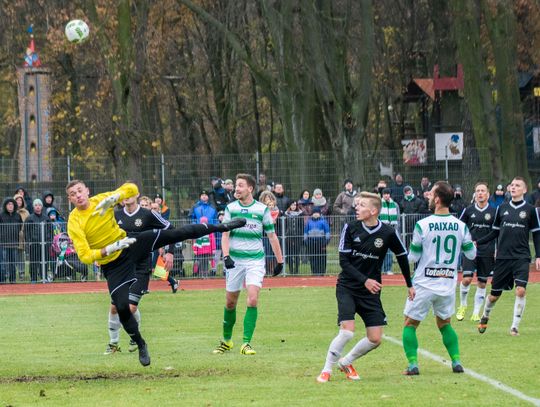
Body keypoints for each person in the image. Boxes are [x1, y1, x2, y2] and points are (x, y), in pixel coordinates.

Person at [66, 180, 246, 366]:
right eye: (73, 194)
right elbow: (85, 256)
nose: (78, 195)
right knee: (121, 308)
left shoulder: (102, 199)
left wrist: (114, 197)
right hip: (112, 264)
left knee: (176, 234)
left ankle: (223, 226)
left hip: (129, 245)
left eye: (80, 190)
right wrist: (108, 249)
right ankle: (140, 344)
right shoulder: (74, 221)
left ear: (87, 190)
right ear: (70, 199)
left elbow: (132, 188)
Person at [316, 192, 413, 383]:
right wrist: (365, 280)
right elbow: (344, 261)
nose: (356, 208)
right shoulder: (350, 228)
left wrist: (409, 284)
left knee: (375, 338)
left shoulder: (388, 232)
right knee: (347, 332)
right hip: (348, 287)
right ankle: (327, 369)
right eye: (357, 204)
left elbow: (402, 256)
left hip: (371, 292)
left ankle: (346, 362)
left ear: (373, 210)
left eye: (361, 205)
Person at [402, 181, 476, 375]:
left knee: (409, 324)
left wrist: (401, 254)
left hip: (424, 284)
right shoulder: (460, 226)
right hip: (447, 284)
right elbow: (471, 254)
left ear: (437, 199)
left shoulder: (422, 225)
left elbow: (413, 257)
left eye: (431, 193)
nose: (427, 195)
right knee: (444, 324)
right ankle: (456, 361)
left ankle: (412, 364)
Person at [212, 173, 284, 356]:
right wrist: (226, 256)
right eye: (236, 185)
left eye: (240, 185)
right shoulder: (231, 208)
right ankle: (227, 341)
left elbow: (272, 236)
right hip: (234, 261)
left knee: (252, 298)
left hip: (255, 261)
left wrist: (280, 261)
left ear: (250, 189)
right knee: (230, 302)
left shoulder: (262, 210)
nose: (237, 188)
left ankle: (246, 343)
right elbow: (225, 234)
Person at [104, 189, 179, 355]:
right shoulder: (115, 216)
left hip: (141, 267)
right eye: (123, 194)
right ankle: (113, 343)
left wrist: (170, 252)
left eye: (129, 193)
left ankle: (133, 333)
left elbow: (171, 229)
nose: (126, 197)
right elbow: (104, 236)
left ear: (137, 195)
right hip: (120, 267)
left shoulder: (148, 215)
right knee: (115, 307)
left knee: (129, 308)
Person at [477, 177, 540, 336]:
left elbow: (537, 235)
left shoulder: (531, 210)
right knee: (493, 296)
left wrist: (539, 255)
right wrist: (478, 242)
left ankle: (514, 327)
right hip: (503, 258)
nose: (513, 187)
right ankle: (485, 315)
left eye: (517, 185)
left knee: (520, 291)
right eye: (512, 185)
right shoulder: (502, 208)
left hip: (521, 257)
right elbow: (495, 232)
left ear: (524, 190)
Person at [456, 182, 496, 322]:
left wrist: (495, 249)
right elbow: (459, 227)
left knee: (482, 283)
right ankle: (462, 304)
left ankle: (476, 312)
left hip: (487, 251)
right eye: (478, 190)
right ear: (475, 193)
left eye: (483, 191)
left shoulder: (494, 212)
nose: (480, 193)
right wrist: (465, 242)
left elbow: (496, 233)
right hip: (470, 250)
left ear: (488, 194)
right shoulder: (468, 210)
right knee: (466, 279)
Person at [24, 199, 52, 283]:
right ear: (33, 206)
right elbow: (26, 231)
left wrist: (49, 240)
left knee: (45, 261)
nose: (37, 207)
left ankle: (44, 277)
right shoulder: (29, 218)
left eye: (39, 205)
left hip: (45, 244)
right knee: (33, 261)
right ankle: (33, 278)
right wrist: (29, 241)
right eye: (36, 205)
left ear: (41, 206)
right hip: (34, 244)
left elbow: (50, 230)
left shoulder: (46, 218)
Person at [0, 198, 23, 283]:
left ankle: (12, 280)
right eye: (8, 204)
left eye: (12, 204)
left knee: (13, 263)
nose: (10, 206)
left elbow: (20, 227)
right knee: (3, 263)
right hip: (2, 243)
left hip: (14, 243)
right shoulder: (1, 215)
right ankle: (2, 280)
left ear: (14, 206)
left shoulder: (18, 215)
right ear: (5, 206)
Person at [303, 207, 331, 275]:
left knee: (321, 257)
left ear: (320, 214)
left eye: (317, 213)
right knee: (312, 257)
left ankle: (321, 272)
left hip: (321, 242)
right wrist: (305, 241)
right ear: (312, 214)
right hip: (311, 242)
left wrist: (326, 241)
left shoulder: (323, 221)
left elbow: (327, 231)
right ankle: (314, 272)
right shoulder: (309, 222)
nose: (315, 214)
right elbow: (306, 232)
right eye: (314, 213)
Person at [379, 188, 400, 275]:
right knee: (379, 249)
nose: (386, 195)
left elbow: (398, 217)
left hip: (391, 229)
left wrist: (396, 229)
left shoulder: (395, 205)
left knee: (389, 250)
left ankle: (388, 269)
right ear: (382, 195)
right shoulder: (379, 204)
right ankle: (379, 268)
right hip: (381, 229)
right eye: (385, 194)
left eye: (388, 194)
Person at [284, 200, 304, 275]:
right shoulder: (286, 214)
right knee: (289, 254)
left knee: (296, 254)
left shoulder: (300, 214)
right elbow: (285, 226)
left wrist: (301, 235)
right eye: (292, 205)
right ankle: (291, 270)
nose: (293, 206)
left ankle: (296, 270)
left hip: (297, 237)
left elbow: (302, 226)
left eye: (294, 205)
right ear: (289, 206)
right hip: (288, 237)